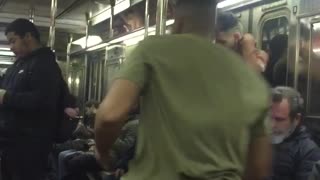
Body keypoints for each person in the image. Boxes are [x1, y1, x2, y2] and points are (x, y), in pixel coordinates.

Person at [95, 0, 271, 180]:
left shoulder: (153, 50)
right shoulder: (252, 80)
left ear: (172, 11)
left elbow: (109, 116)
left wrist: (103, 152)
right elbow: (258, 168)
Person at [0, 19, 63, 180]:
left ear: (28, 36)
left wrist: (6, 97)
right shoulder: (18, 65)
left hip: (30, 145)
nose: (11, 47)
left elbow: (43, 101)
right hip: (10, 142)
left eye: (13, 41)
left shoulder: (44, 64)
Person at [269, 86, 320, 180]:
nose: (272, 125)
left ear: (296, 119)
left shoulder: (308, 151)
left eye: (279, 119)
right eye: (269, 118)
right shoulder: (260, 140)